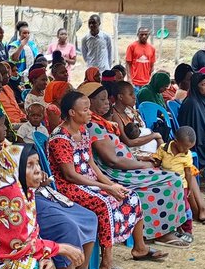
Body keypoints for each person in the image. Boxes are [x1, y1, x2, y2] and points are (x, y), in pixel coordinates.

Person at [48, 91, 164, 269]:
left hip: (87, 181)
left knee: (130, 196)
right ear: (72, 113)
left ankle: (140, 248)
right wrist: (107, 189)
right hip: (68, 187)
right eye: (85, 110)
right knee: (105, 203)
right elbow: (70, 175)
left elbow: (91, 164)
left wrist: (111, 184)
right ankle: (106, 264)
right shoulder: (60, 138)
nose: (89, 113)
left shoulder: (83, 131)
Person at [81, 82, 189, 248]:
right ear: (89, 102)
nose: (107, 102)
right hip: (117, 174)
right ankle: (162, 233)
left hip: (124, 167)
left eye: (106, 98)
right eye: (102, 99)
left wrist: (140, 160)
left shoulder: (102, 123)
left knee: (168, 174)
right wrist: (141, 165)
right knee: (172, 180)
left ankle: (169, 227)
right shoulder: (93, 127)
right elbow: (112, 160)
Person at [156, 126, 205, 227]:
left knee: (190, 176)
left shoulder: (186, 154)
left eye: (189, 148)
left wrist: (189, 187)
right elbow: (157, 162)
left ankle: (202, 210)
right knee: (187, 181)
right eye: (185, 148)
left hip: (181, 178)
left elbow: (188, 173)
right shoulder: (164, 149)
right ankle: (200, 211)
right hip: (168, 179)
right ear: (176, 142)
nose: (187, 150)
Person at [105, 81, 163, 152]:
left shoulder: (129, 110)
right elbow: (129, 142)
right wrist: (154, 135)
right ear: (120, 97)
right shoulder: (115, 115)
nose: (134, 97)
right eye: (130, 94)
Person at [0, 61, 27, 125]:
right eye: (4, 73)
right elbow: (1, 117)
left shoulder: (7, 87)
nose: (8, 75)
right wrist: (18, 120)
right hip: (11, 124)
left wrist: (24, 117)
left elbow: (16, 108)